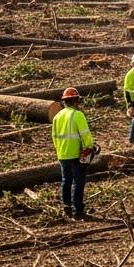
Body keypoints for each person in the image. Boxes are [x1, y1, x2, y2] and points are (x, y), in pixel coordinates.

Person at [51, 87, 95, 220]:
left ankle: (67, 206)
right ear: (76, 101)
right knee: (79, 182)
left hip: (63, 154)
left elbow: (54, 137)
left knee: (66, 181)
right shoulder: (78, 115)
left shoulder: (57, 116)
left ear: (65, 102)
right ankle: (78, 210)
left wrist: (60, 150)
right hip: (77, 154)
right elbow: (85, 135)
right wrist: (89, 148)